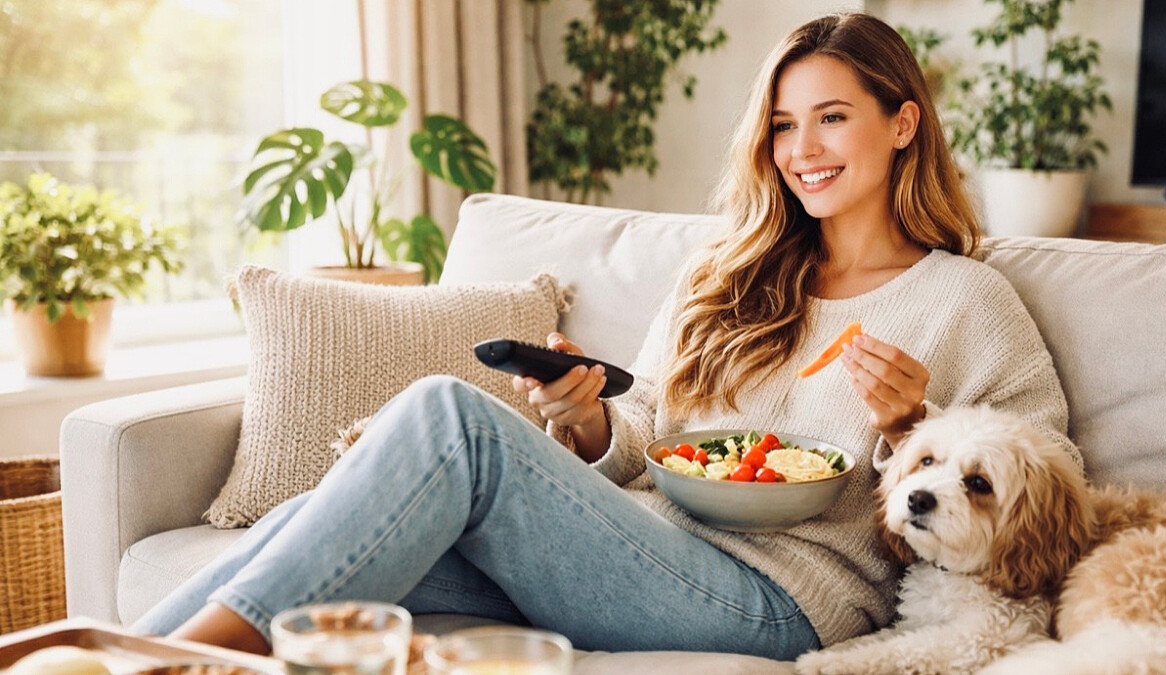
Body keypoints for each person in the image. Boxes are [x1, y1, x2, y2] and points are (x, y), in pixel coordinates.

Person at [132, 12, 1082, 660]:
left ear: (903, 123)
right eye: (785, 126)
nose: (803, 150)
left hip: (783, 601)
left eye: (833, 118)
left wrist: (917, 425)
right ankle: (117, 654)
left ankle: (168, 667)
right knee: (314, 523)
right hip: (641, 542)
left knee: (447, 419)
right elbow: (648, 432)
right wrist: (585, 421)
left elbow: (1047, 490)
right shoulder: (731, 272)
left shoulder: (965, 299)